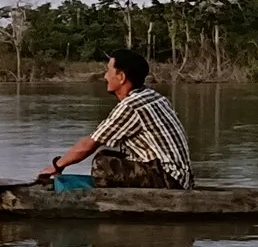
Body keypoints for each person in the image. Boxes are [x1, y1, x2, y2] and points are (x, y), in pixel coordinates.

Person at [38, 49, 194, 189]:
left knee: (103, 164)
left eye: (108, 71)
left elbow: (89, 144)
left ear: (121, 77)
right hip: (179, 177)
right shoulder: (153, 96)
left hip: (169, 179)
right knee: (107, 156)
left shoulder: (132, 105)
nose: (105, 76)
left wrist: (57, 166)